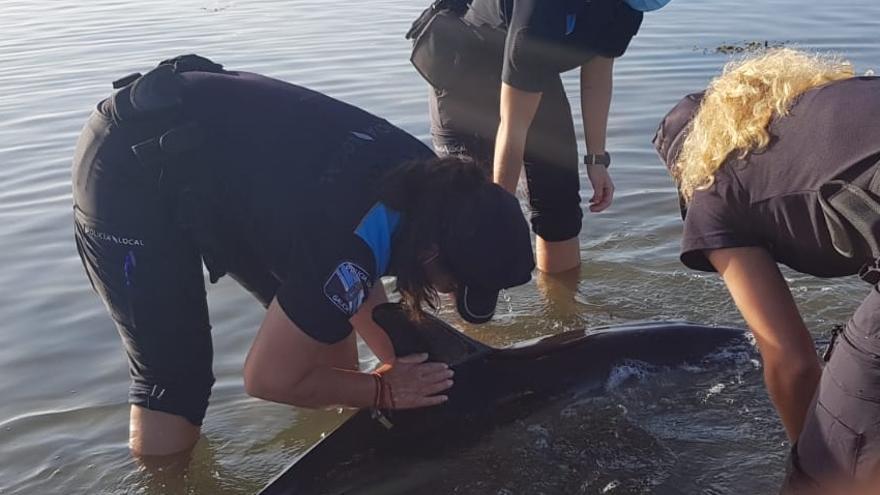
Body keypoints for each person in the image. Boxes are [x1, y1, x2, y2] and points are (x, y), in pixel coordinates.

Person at [72, 55, 535, 457]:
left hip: (216, 156)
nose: (449, 295)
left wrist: (414, 373)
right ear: (432, 250)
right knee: (175, 384)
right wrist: (382, 389)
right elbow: (265, 379)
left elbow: (356, 261)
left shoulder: (437, 186)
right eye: (454, 283)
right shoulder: (349, 236)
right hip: (131, 169)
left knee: (323, 335)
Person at [653, 48, 880, 492]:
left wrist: (815, 457)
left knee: (829, 466)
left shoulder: (712, 188)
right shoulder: (839, 102)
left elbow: (790, 360)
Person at [415, 0, 647, 273]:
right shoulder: (541, 9)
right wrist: (500, 214)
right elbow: (513, 127)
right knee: (470, 217)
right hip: (464, 65)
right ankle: (467, 307)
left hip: (533, 65)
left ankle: (562, 310)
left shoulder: (628, 8)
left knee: (559, 209)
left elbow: (598, 74)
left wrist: (596, 160)